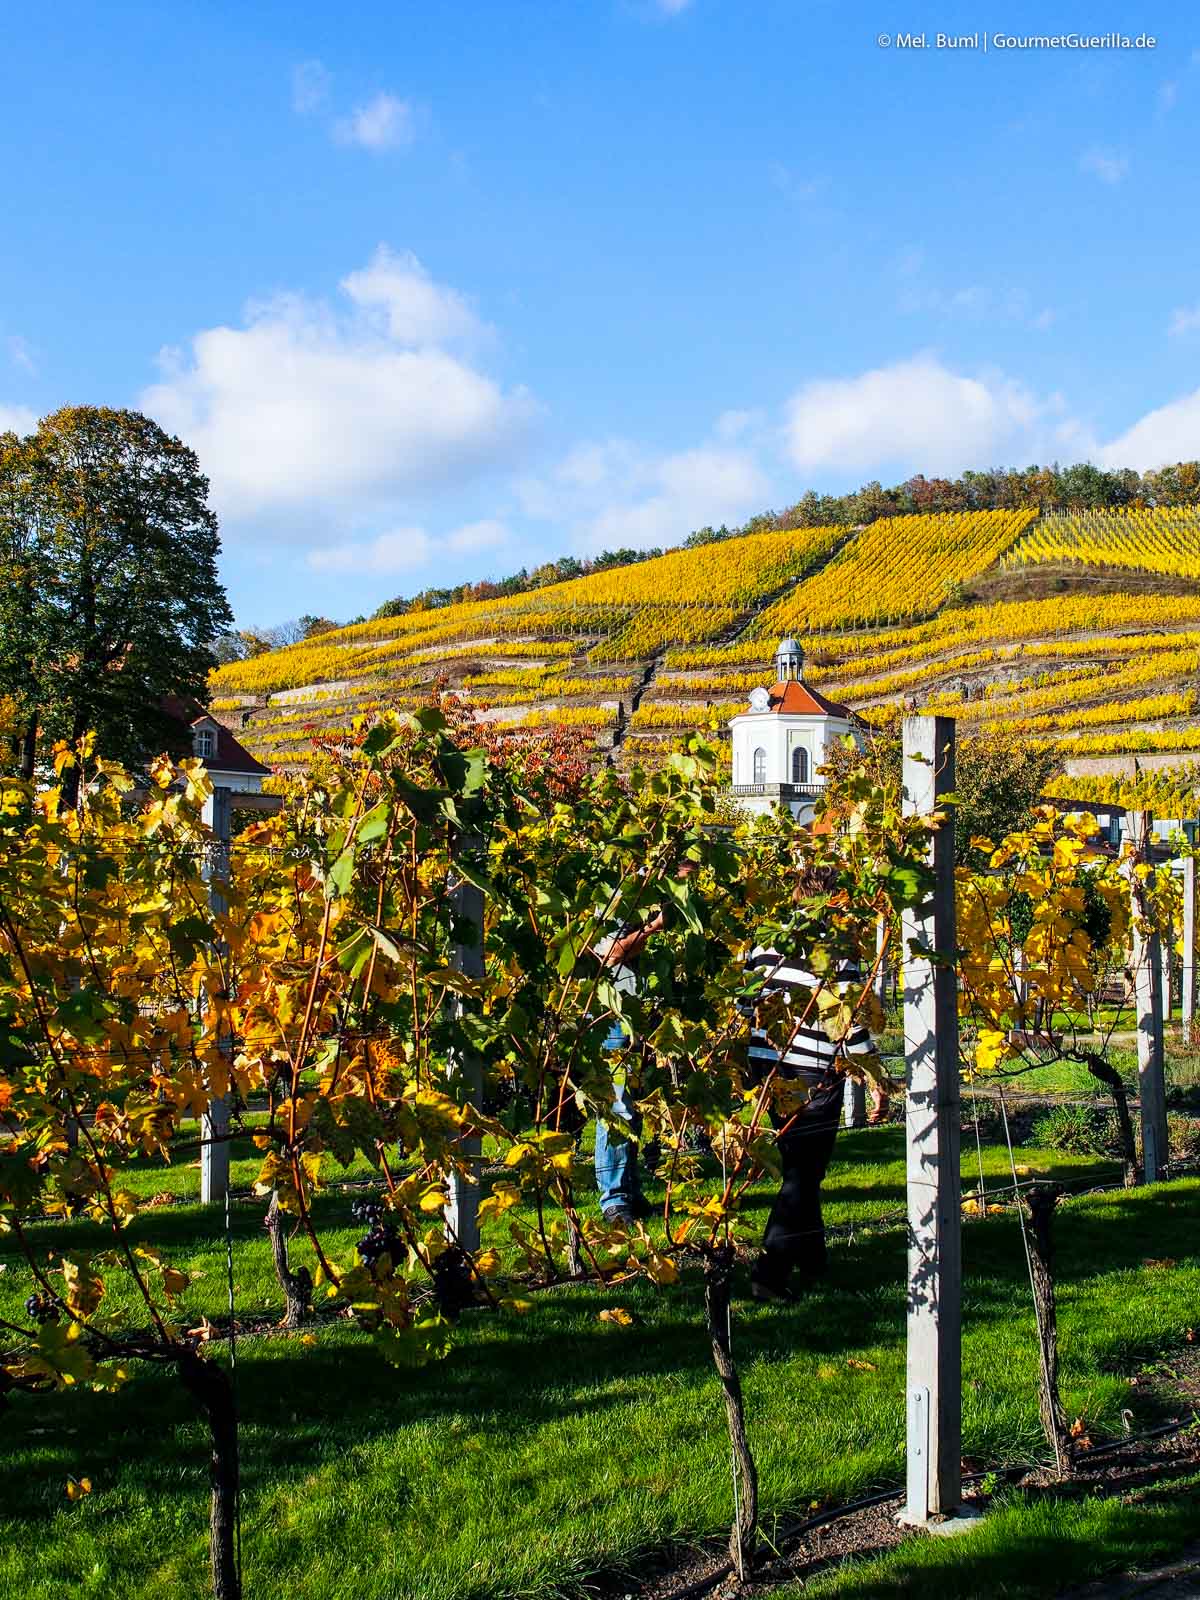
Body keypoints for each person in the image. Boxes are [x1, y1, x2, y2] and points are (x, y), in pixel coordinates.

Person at [744, 913, 878, 1302]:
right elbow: (847, 1016)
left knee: (801, 1164)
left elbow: (744, 1001)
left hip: (767, 1062)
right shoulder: (838, 944)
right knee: (804, 1171)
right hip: (811, 1069)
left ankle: (813, 1258)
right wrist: (871, 1071)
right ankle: (770, 1271)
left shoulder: (765, 937)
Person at [591, 861, 696, 1225]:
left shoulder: (659, 895)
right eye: (687, 871)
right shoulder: (623, 893)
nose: (690, 880)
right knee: (618, 1106)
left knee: (635, 1108)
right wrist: (654, 927)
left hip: (645, 1013)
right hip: (614, 1013)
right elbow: (612, 952)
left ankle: (630, 1192)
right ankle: (613, 1200)